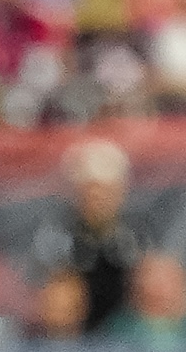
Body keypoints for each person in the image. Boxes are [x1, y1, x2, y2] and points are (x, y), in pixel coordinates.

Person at [30, 139, 143, 331]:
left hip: (127, 333)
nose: (98, 199)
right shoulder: (57, 236)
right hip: (71, 336)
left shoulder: (136, 235)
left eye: (107, 191)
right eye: (90, 191)